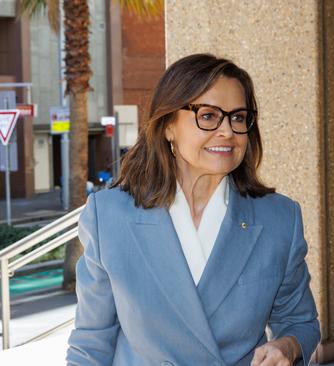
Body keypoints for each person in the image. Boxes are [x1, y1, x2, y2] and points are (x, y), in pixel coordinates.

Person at [67, 54, 320, 366]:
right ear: (168, 125)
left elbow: (301, 323)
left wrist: (288, 346)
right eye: (209, 115)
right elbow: (91, 344)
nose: (227, 131)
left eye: (238, 118)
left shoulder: (279, 219)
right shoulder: (108, 216)